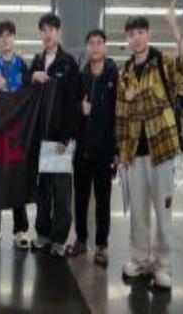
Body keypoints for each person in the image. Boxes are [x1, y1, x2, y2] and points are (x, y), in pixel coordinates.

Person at [117, 8, 183, 290]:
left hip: (161, 150)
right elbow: (121, 115)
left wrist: (174, 26)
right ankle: (139, 259)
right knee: (138, 212)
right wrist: (121, 151)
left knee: (163, 213)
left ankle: (163, 266)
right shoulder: (125, 72)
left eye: (141, 32)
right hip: (134, 155)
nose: (136, 38)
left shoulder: (163, 62)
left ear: (148, 34)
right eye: (131, 34)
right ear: (127, 39)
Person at [66, 29, 118, 267]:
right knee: (81, 199)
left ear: (105, 47)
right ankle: (81, 240)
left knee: (103, 201)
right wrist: (81, 110)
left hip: (105, 150)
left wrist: (117, 149)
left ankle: (102, 245)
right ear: (87, 48)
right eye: (91, 43)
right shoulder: (81, 77)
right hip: (82, 150)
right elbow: (71, 111)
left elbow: (119, 115)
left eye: (99, 42)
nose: (95, 47)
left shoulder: (115, 77)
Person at [29, 13, 79, 258]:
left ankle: (59, 238)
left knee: (61, 192)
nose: (48, 34)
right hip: (39, 137)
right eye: (44, 30)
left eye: (52, 30)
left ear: (58, 33)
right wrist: (32, 78)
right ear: (40, 33)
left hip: (58, 139)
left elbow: (73, 102)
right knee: (42, 190)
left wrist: (65, 137)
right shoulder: (37, 61)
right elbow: (25, 96)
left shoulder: (68, 63)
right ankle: (43, 233)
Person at [0, 20, 30, 250]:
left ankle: (21, 230)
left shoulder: (23, 66)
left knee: (17, 180)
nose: (5, 39)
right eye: (1, 36)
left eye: (8, 35)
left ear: (13, 38)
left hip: (18, 134)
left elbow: (31, 95)